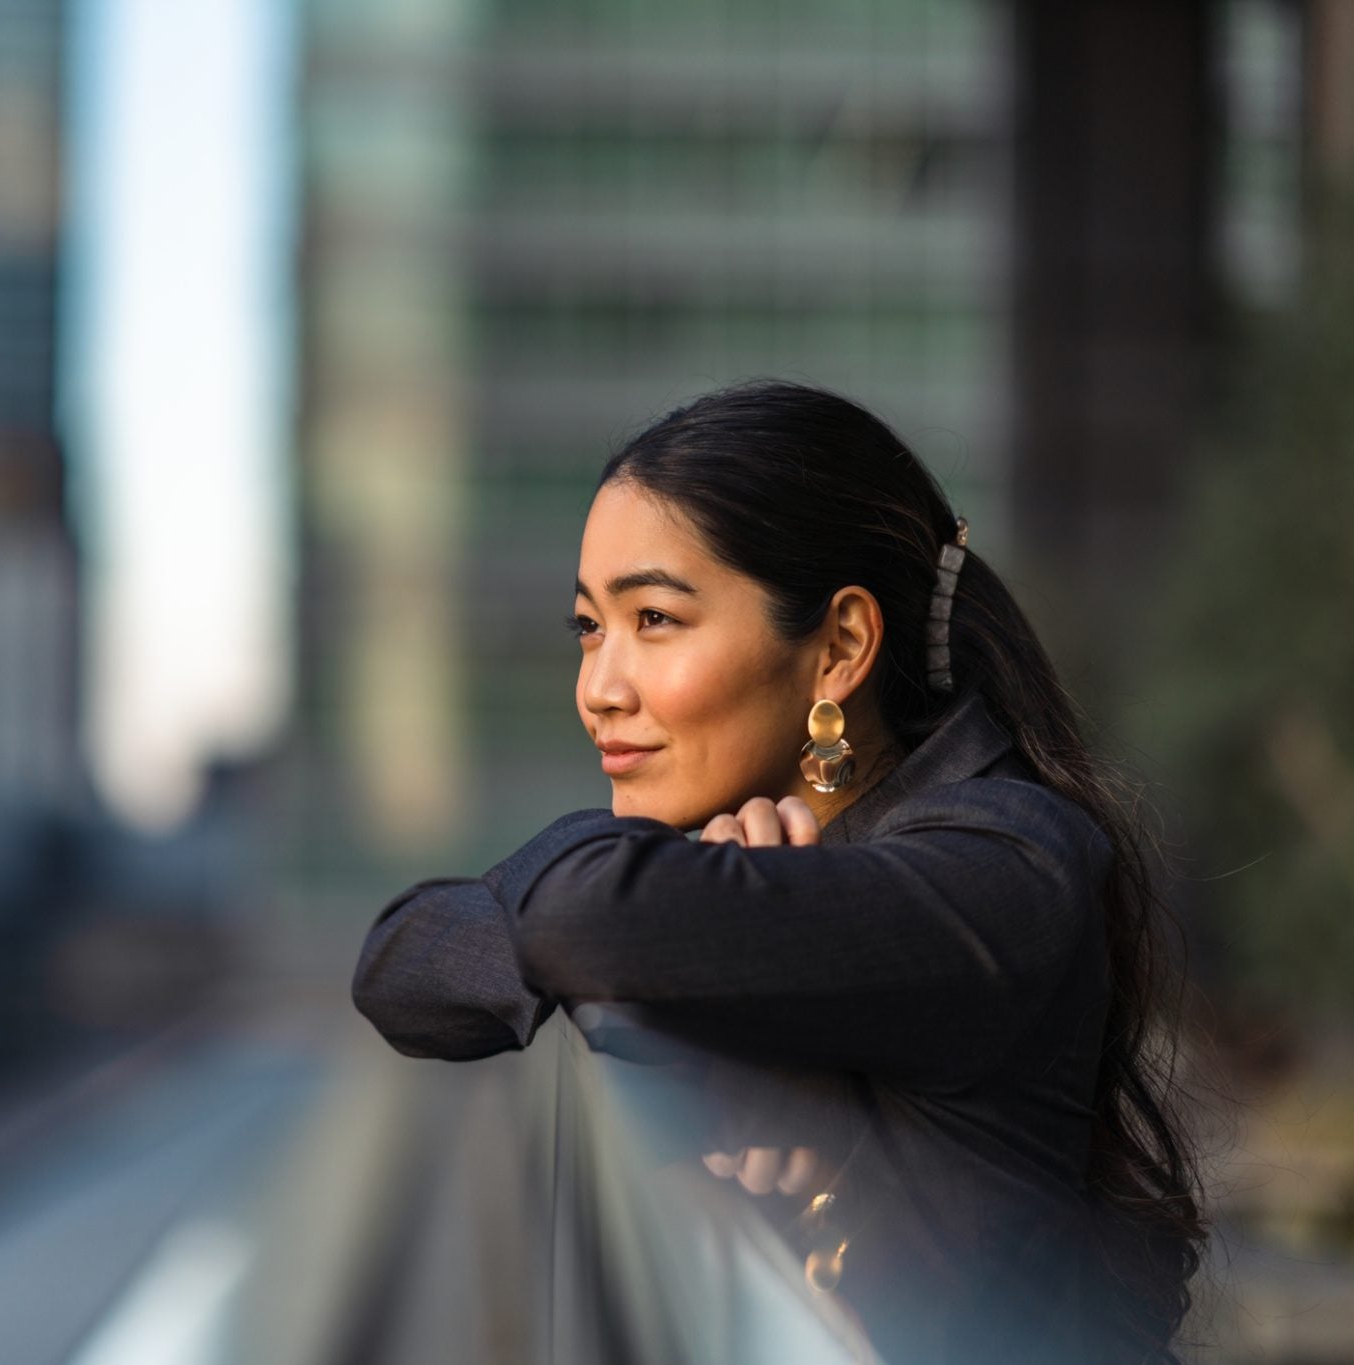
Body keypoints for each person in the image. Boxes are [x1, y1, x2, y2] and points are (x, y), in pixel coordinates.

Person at [350, 380, 1207, 1365]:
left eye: (655, 619)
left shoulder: (1005, 864)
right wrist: (685, 906)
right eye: (589, 626)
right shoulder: (715, 859)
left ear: (839, 647)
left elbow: (585, 926)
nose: (598, 690)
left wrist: (658, 914)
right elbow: (401, 966)